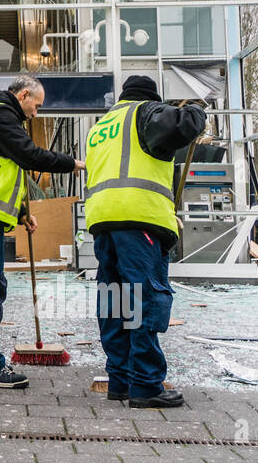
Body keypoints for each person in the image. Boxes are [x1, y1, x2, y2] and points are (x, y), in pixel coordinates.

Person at [0, 75, 83, 388]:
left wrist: (22, 213)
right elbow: (29, 156)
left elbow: (1, 170)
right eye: (36, 106)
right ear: (23, 95)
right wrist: (73, 164)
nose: (36, 113)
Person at [85, 75, 205, 409]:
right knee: (142, 298)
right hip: (140, 219)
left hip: (103, 220)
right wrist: (197, 110)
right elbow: (184, 124)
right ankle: (146, 385)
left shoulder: (101, 126)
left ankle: (120, 380)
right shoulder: (146, 112)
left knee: (114, 299)